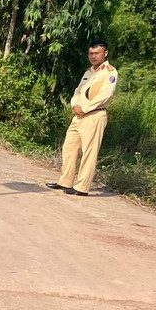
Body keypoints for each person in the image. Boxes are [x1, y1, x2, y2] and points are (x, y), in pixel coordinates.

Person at [48, 40, 117, 196]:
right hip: (78, 115)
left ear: (105, 53)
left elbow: (105, 95)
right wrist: (74, 105)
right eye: (91, 53)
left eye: (96, 53)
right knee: (69, 147)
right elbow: (78, 91)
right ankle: (65, 181)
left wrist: (85, 108)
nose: (93, 56)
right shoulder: (88, 72)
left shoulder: (110, 72)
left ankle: (82, 187)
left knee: (89, 152)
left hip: (94, 115)